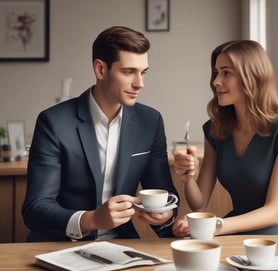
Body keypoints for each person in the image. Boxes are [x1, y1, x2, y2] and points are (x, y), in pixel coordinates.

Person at [22, 26, 178, 242]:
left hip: (122, 245)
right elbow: (35, 209)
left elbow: (165, 195)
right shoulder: (53, 122)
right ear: (100, 69)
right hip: (60, 244)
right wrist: (92, 219)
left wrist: (165, 216)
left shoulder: (150, 121)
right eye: (128, 72)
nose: (139, 83)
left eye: (143, 73)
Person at [172, 40, 278, 237]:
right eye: (216, 72)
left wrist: (215, 226)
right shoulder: (215, 129)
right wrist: (188, 179)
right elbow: (199, 204)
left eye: (226, 73)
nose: (216, 81)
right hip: (235, 234)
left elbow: (274, 213)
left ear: (252, 76)